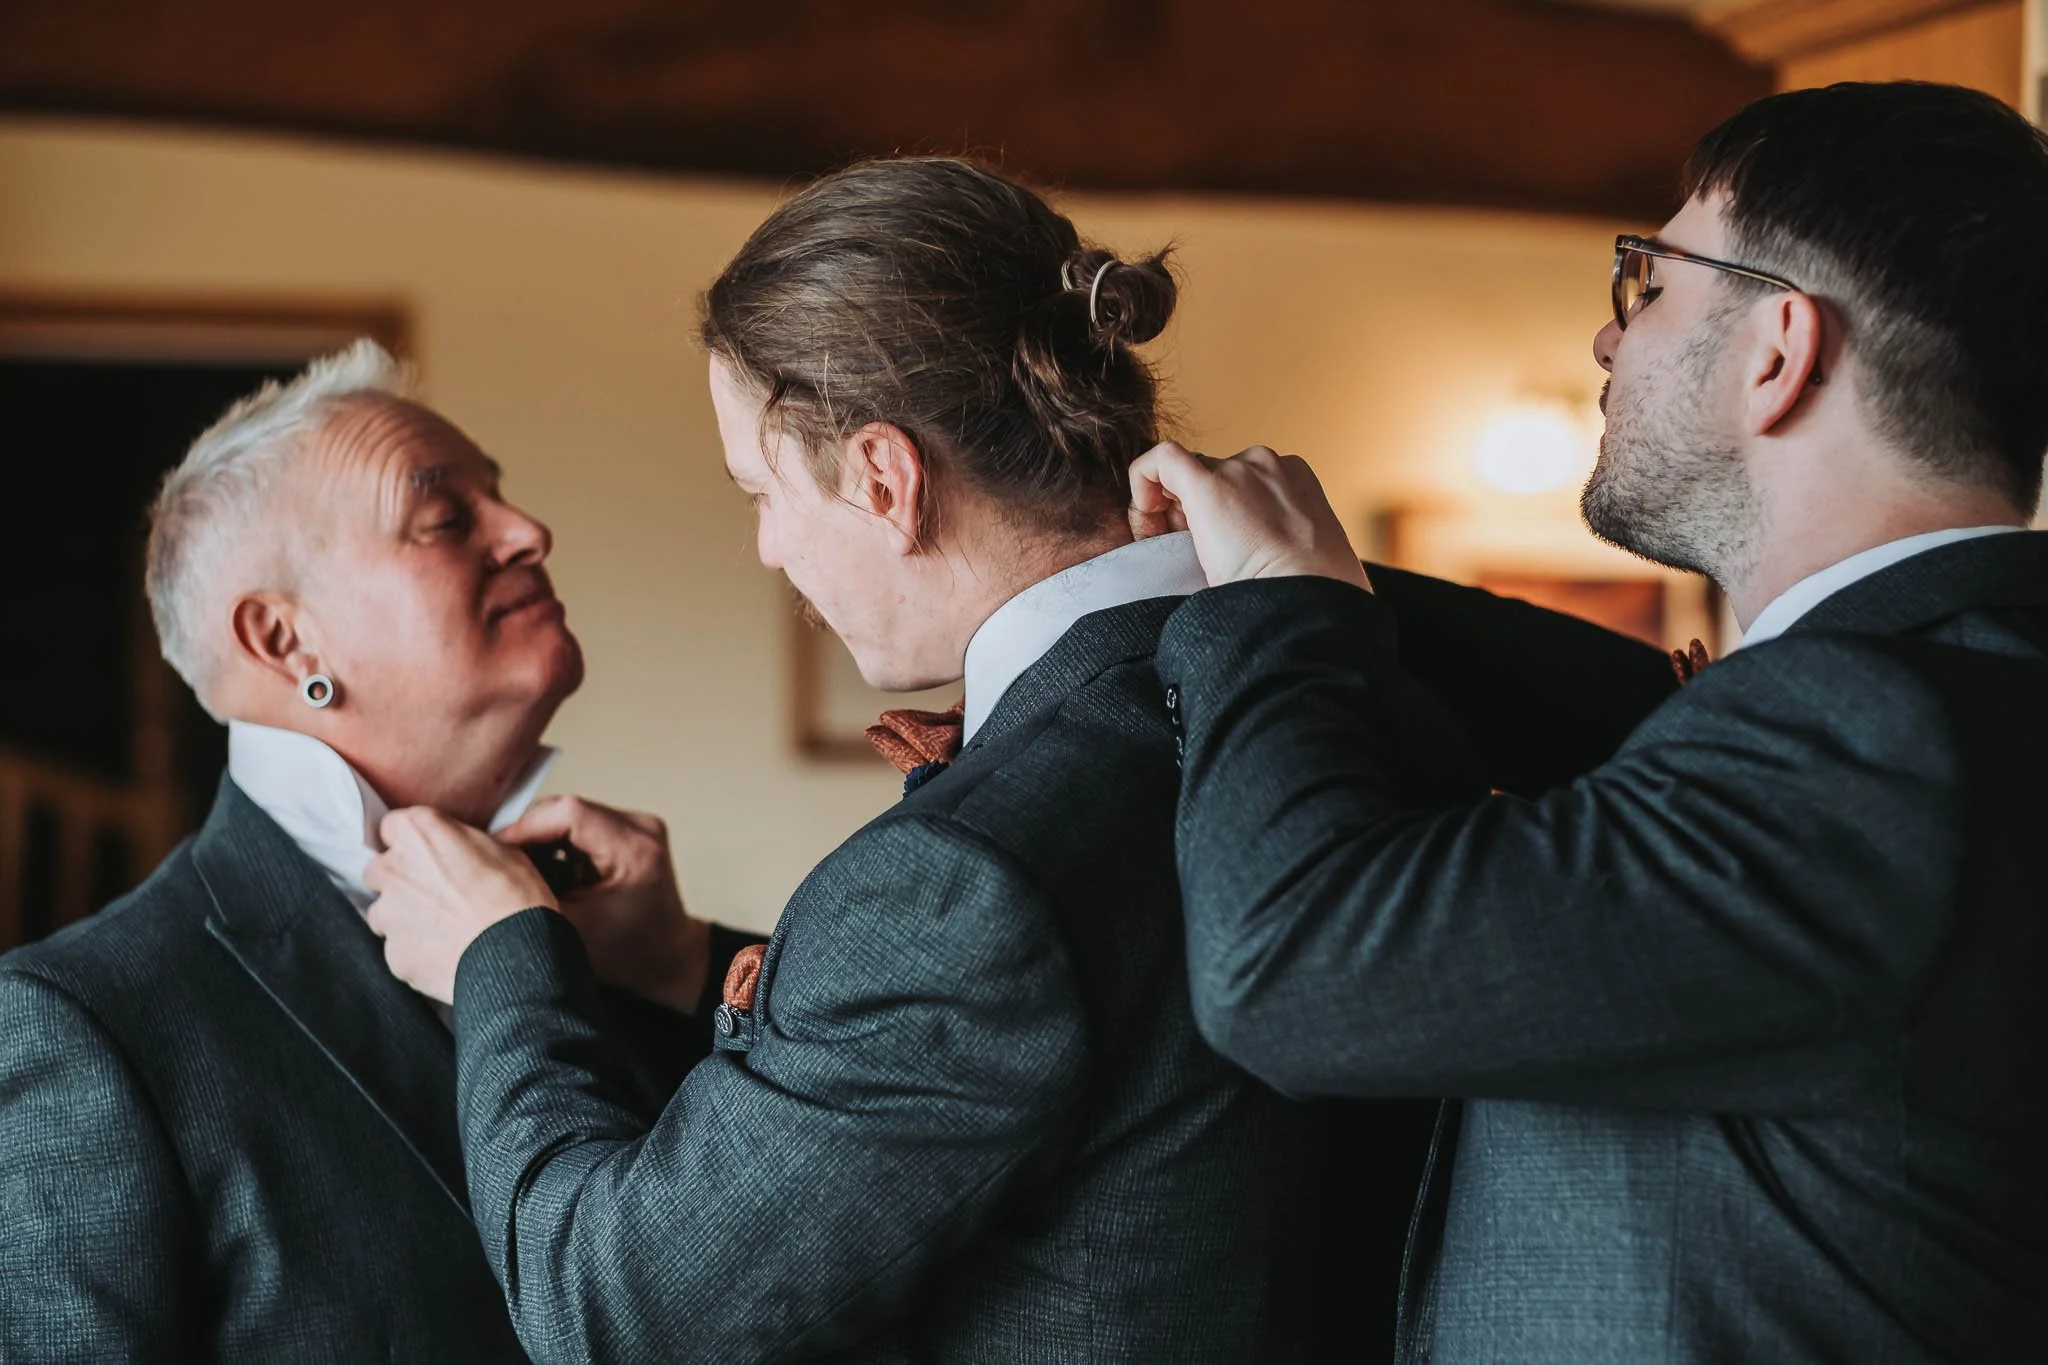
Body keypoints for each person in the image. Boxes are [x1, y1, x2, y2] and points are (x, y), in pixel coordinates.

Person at [359, 157, 1354, 1363]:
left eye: (757, 493)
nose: (768, 551)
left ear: (886, 479)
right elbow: (993, 1067)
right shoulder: (1306, 682)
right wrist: (688, 966)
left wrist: (500, 960)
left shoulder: (963, 876)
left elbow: (607, 1309)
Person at [1131, 81, 2048, 1362]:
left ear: (1777, 351)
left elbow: (1291, 968)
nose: (1610, 344)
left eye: (1649, 284)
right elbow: (1647, 738)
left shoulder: (1870, 739)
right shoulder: (1963, 692)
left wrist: (1284, 612)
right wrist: (1313, 582)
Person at [0, 342, 752, 1361]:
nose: (530, 532)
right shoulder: (88, 1028)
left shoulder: (620, 939)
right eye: (447, 517)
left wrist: (674, 976)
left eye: (503, 499)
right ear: (284, 642)